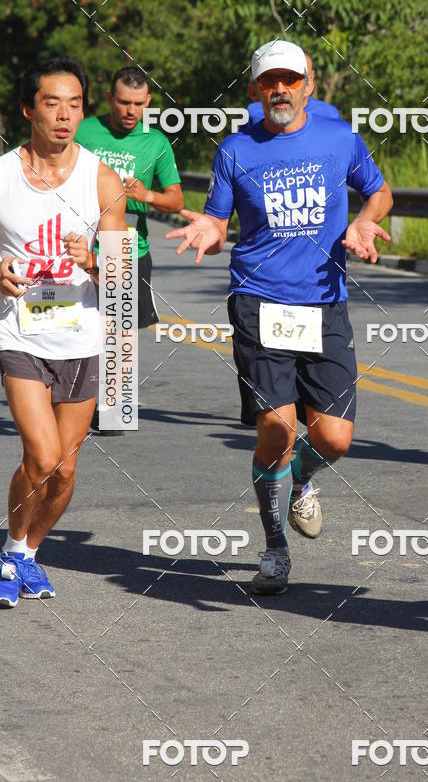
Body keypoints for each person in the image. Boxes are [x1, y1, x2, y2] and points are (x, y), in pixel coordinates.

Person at [167, 40, 392, 594]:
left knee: (334, 438)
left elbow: (379, 191)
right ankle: (274, 547)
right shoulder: (236, 151)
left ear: (309, 85)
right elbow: (219, 224)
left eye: (291, 79)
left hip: (324, 300)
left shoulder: (341, 139)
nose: (281, 89)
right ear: (254, 91)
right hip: (259, 300)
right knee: (277, 427)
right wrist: (209, 232)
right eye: (270, 81)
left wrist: (364, 221)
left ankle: (301, 481)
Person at [0, 56, 127, 608]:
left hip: (82, 338)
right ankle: (10, 549)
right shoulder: (3, 175)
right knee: (43, 454)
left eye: (74, 104)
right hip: (20, 335)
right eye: (52, 103)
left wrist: (96, 260)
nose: (64, 115)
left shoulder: (100, 177)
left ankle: (28, 553)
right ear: (29, 109)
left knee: (65, 470)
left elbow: (124, 272)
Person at [75, 66, 183, 431]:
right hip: (79, 244)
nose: (130, 110)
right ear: (109, 98)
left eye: (138, 103)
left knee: (120, 328)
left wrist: (147, 194)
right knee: (81, 322)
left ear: (148, 102)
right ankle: (77, 397)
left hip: (128, 247)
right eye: (123, 102)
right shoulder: (83, 129)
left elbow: (176, 199)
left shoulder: (156, 142)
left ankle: (112, 407)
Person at [245, 51, 341, 124]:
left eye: (293, 77)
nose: (280, 89)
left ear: (311, 77)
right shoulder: (254, 112)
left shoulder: (328, 113)